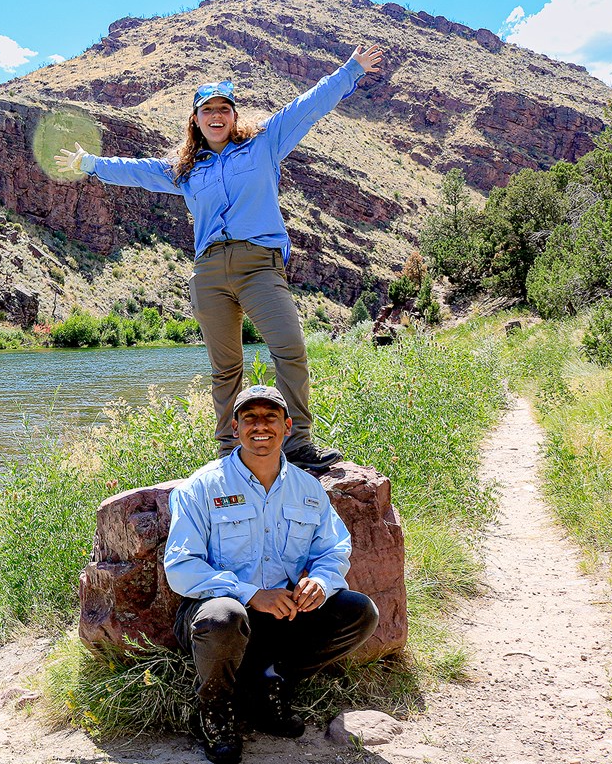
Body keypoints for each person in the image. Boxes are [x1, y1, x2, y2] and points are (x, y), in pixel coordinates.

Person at [55, 45, 384, 469]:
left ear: (234, 114)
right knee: (226, 368)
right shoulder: (186, 168)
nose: (216, 116)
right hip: (209, 274)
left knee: (290, 348)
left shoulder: (265, 143)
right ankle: (231, 453)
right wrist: (91, 163)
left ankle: (298, 444)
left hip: (259, 266)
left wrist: (350, 70)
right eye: (206, 109)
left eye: (223, 109)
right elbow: (138, 170)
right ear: (195, 118)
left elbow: (309, 105)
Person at [162, 384, 379, 764]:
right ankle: (215, 711)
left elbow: (333, 549)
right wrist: (248, 593)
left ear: (287, 426)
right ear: (235, 428)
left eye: (270, 417)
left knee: (358, 611)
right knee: (223, 616)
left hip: (284, 615)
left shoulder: (308, 488)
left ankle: (268, 686)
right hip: (219, 619)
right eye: (250, 418)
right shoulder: (202, 486)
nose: (260, 426)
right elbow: (182, 567)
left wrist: (321, 582)